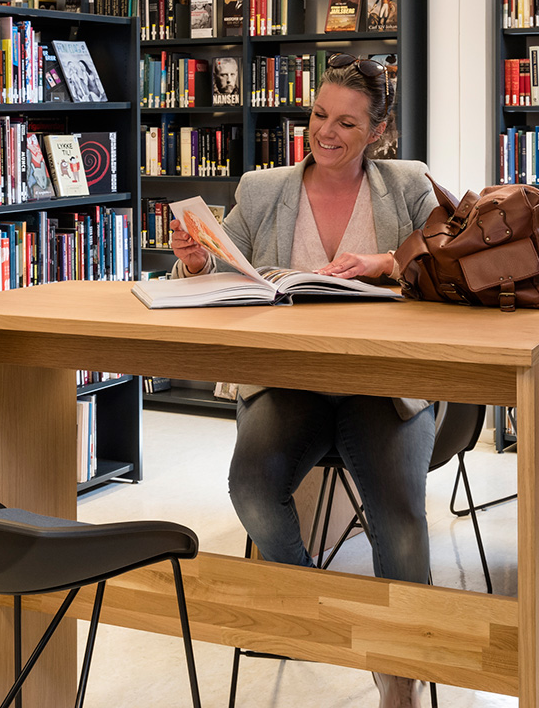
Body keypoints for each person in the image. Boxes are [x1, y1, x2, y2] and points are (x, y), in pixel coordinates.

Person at [167, 54, 438, 708]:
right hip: (290, 383)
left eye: (347, 123)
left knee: (399, 517)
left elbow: (448, 255)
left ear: (378, 131)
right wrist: (195, 262)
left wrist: (387, 261)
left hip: (383, 385)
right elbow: (215, 277)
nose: (326, 132)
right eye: (319, 115)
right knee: (252, 488)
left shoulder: (408, 185)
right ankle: (323, 618)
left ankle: (400, 674)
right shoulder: (263, 190)